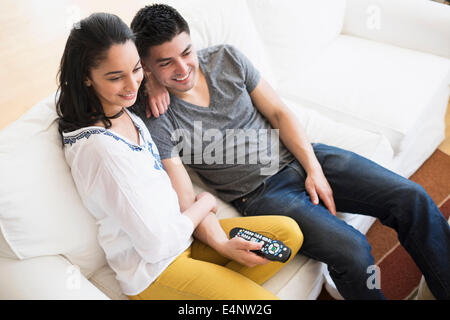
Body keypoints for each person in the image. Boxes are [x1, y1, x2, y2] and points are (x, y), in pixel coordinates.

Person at [130, 4, 450, 300]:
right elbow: (183, 192)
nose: (183, 67)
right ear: (145, 64)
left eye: (186, 52)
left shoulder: (226, 57)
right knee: (352, 251)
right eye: (166, 62)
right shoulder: (156, 115)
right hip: (263, 194)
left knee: (411, 197)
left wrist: (313, 168)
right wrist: (148, 81)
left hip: (306, 155)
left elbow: (280, 113)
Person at [56, 12, 303, 300]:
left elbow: (152, 70)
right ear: (86, 77)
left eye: (136, 70)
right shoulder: (100, 150)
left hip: (183, 239)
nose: (131, 85)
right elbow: (155, 246)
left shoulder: (123, 110)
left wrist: (153, 81)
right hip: (156, 269)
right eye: (115, 77)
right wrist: (205, 203)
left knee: (287, 233)